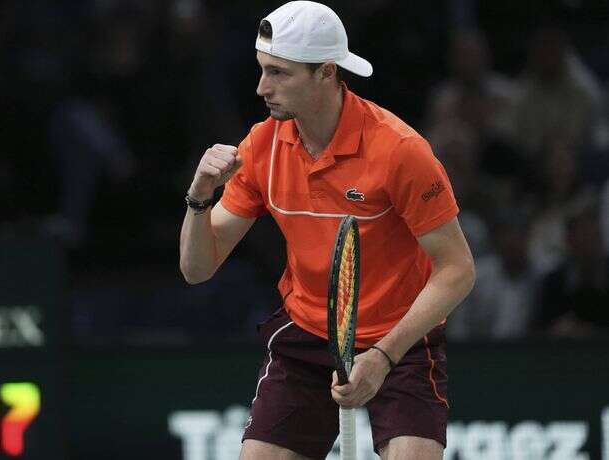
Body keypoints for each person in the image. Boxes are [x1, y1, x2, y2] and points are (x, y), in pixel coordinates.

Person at [179, 2, 475, 459]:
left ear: (327, 72)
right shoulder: (261, 147)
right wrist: (199, 197)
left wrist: (383, 357)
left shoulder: (399, 151)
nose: (262, 87)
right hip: (307, 336)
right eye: (262, 70)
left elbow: (457, 270)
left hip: (399, 343)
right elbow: (197, 268)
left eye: (279, 73)